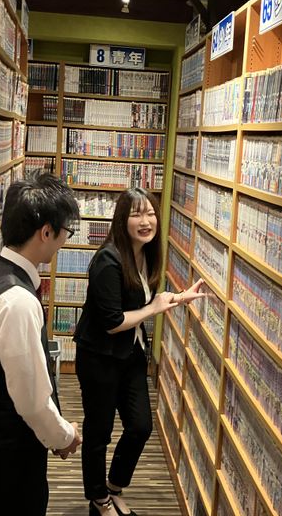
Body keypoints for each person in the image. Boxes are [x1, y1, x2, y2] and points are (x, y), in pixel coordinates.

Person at [74, 188, 204, 516]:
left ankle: (114, 487)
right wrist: (154, 309)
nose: (146, 221)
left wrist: (176, 298)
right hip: (100, 356)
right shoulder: (108, 260)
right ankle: (98, 500)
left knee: (141, 426)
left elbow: (144, 300)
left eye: (150, 213)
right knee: (99, 431)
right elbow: (113, 322)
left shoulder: (147, 254)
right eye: (136, 214)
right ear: (122, 220)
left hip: (130, 353)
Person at [0, 173, 83, 516]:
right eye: (65, 231)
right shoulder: (18, 300)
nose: (64, 241)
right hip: (9, 467)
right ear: (46, 232)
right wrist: (64, 436)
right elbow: (31, 400)